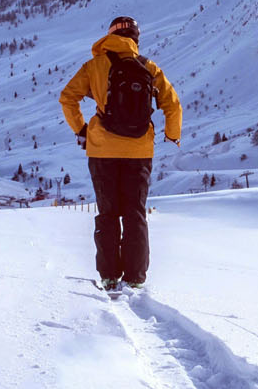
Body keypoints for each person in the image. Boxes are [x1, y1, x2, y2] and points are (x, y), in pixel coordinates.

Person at [58, 16, 182, 292]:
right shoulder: (149, 67)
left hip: (102, 151)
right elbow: (173, 105)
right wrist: (172, 135)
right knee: (135, 213)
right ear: (136, 39)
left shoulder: (94, 66)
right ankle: (136, 278)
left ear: (109, 37)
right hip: (139, 150)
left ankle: (110, 276)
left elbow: (68, 98)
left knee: (108, 213)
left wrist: (81, 130)